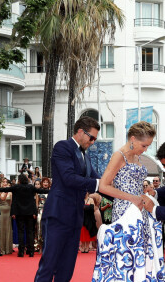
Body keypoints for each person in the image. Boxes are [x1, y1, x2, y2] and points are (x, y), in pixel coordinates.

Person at [34, 116, 102, 282]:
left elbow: (97, 179)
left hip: (75, 217)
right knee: (49, 264)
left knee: (67, 267)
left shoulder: (86, 156)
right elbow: (68, 178)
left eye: (95, 138)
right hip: (58, 214)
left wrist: (117, 189)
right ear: (80, 131)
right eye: (91, 137)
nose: (93, 142)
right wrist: (99, 184)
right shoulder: (63, 147)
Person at [93, 121, 162, 281]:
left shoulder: (137, 156)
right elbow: (103, 186)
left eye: (148, 146)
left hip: (141, 210)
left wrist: (147, 192)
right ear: (133, 139)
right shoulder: (119, 155)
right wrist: (132, 197)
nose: (146, 149)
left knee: (140, 252)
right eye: (144, 145)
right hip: (125, 211)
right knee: (126, 253)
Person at [0, 174, 49, 258]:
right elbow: (41, 191)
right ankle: (31, 251)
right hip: (30, 213)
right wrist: (52, 190)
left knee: (20, 231)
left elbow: (5, 189)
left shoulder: (16, 187)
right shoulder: (30, 187)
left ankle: (21, 251)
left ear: (19, 180)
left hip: (19, 212)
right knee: (30, 231)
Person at [0, 178, 13, 255]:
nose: (4, 183)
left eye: (6, 182)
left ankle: (8, 249)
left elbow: (11, 203)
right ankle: (1, 249)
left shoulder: (10, 192)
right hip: (0, 211)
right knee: (1, 229)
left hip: (8, 212)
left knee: (8, 229)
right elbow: (0, 199)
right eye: (3, 182)